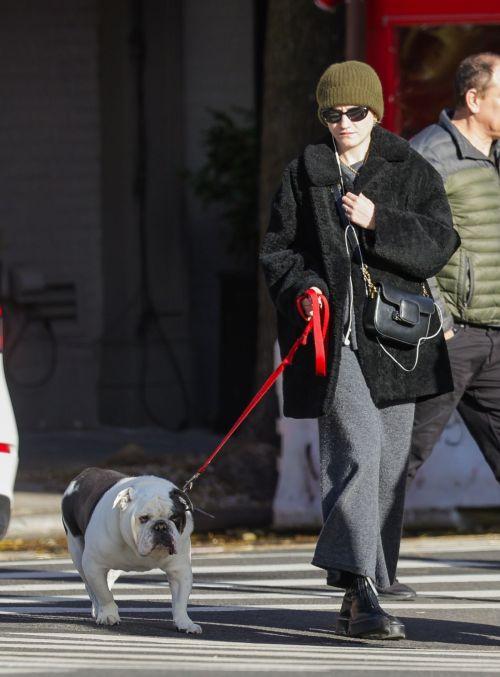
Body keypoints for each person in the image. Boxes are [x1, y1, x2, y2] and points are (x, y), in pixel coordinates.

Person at [260, 60, 459, 640]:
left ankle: (361, 591)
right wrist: (305, 289)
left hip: (397, 340)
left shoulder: (408, 168)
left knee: (388, 470)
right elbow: (277, 253)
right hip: (335, 340)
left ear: (376, 112)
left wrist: (378, 221)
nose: (344, 122)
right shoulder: (306, 171)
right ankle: (362, 590)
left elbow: (439, 243)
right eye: (332, 113)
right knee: (358, 452)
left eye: (355, 112)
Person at [407, 54, 500, 490]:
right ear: (474, 99)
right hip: (451, 338)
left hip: (496, 337)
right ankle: (354, 557)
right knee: (402, 456)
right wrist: (441, 323)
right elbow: (407, 243)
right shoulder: (429, 155)